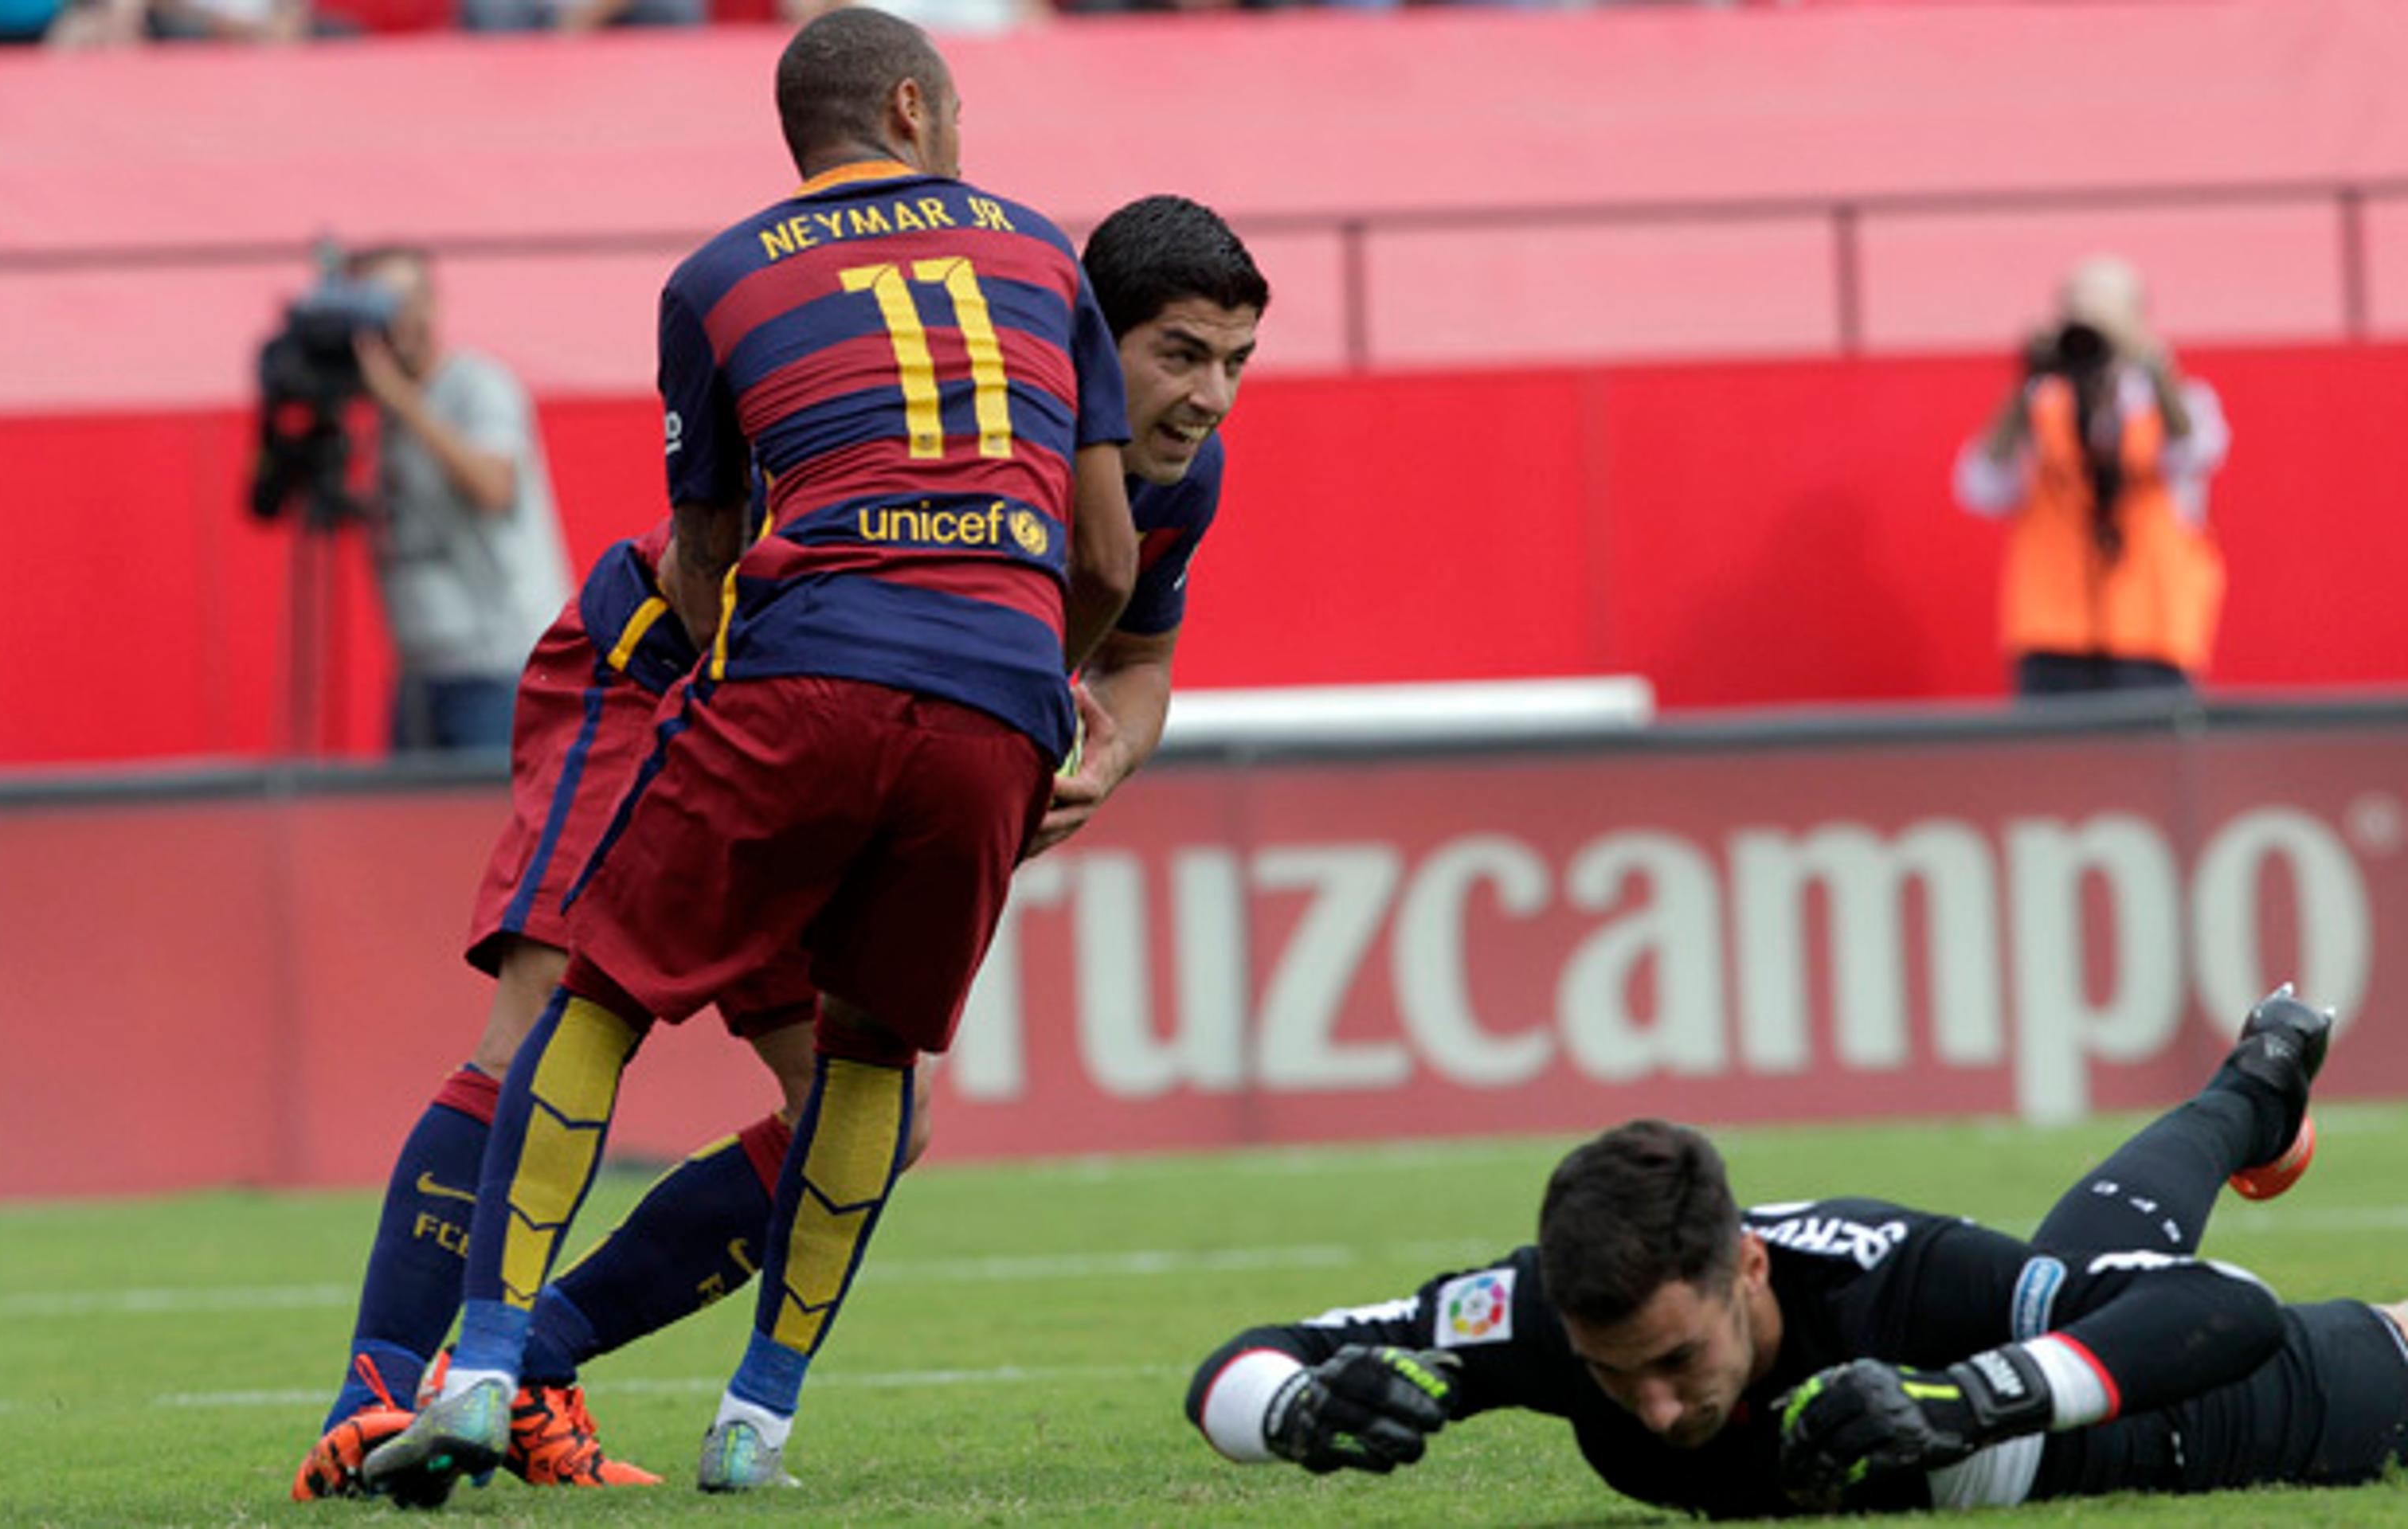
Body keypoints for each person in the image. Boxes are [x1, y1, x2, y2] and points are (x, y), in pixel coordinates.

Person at [286, 190, 1264, 1503]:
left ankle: (533, 1360)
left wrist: (1107, 753)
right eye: (1180, 356)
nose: (1209, 398)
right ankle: (380, 1392)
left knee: (877, 1117)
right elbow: (719, 549)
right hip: (665, 672)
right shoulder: (978, 408)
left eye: (1234, 363)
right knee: (543, 1012)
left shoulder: (1177, 481)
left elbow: (1138, 666)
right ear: (1082, 335)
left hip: (840, 744)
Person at [1187, 988, 2408, 1515]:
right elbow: (1232, 1367)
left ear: (1750, 1271)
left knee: (2096, 1282)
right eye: (1616, 1377)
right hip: (2075, 1340)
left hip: (2200, 1422)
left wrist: (1965, 1400)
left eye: (1674, 1358)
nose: (1657, 1412)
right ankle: (2257, 1084)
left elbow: (2221, 1312)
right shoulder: (1533, 1311)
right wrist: (1298, 1409)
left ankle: (2253, 1091)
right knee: (2085, 1252)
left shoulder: (1883, 1273)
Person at [1954, 256, 2230, 699]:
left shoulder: (2173, 402)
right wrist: (2026, 385)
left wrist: (2156, 371)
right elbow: (1981, 485)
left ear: (2137, 322)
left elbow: (2196, 449)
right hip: (2052, 639)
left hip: (2151, 635)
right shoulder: (2040, 405)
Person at [339, 245, 574, 755]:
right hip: (421, 675)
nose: (396, 318)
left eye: (404, 300)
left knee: (493, 829)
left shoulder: (475, 386)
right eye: (375, 305)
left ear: (433, 304)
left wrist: (402, 398)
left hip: (498, 666)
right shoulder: (377, 413)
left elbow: (494, 485)